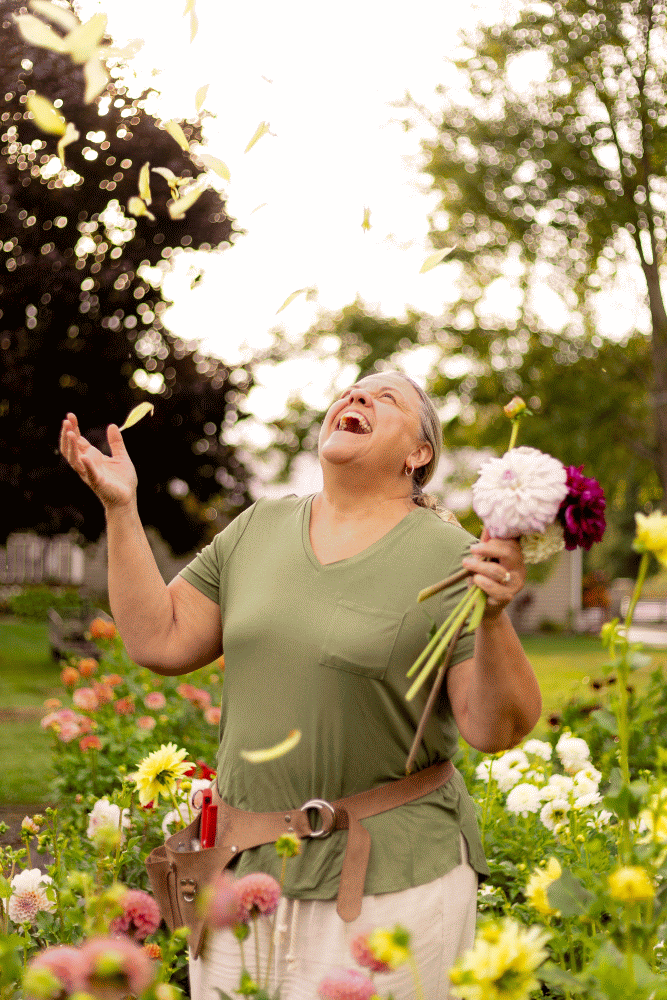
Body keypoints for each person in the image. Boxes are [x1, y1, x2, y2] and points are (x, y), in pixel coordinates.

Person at [60, 370, 541, 1000]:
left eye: (386, 397)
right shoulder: (259, 528)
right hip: (243, 875)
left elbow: (494, 727)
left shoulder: (453, 555)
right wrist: (121, 507)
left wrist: (495, 614)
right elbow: (160, 638)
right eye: (350, 390)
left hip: (390, 884)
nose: (356, 397)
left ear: (418, 454)